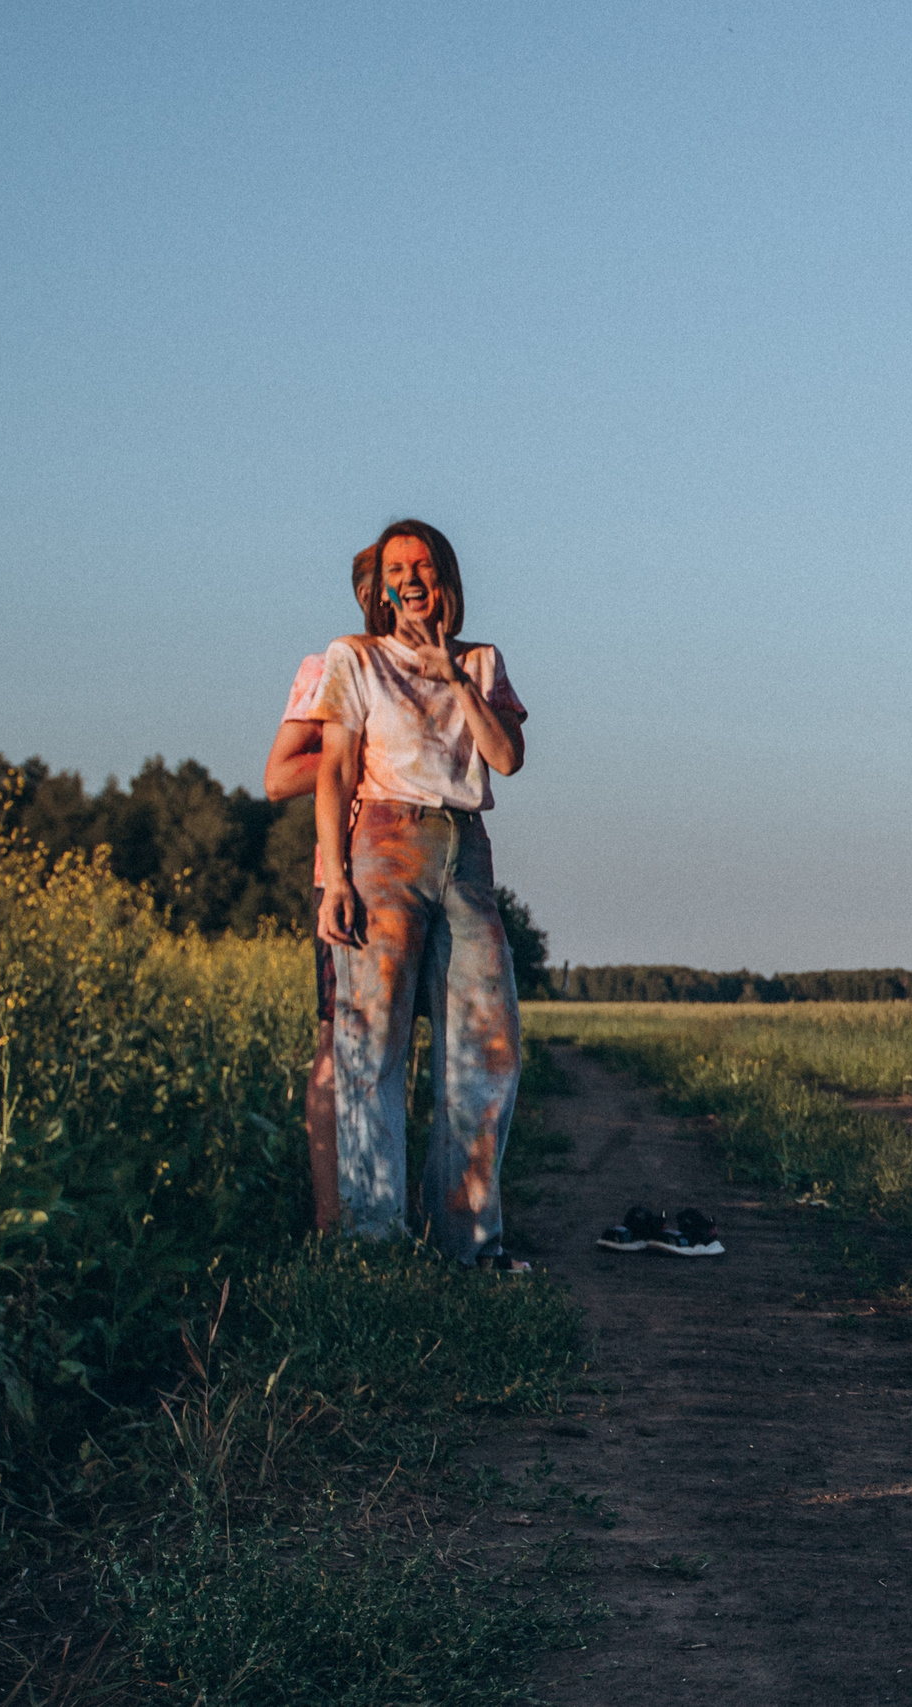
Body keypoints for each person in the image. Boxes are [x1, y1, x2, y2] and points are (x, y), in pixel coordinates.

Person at [311, 519, 530, 1268]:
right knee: (370, 1043)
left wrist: (454, 675)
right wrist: (336, 876)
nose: (411, 577)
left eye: (424, 564)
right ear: (380, 589)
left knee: (488, 1047)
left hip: (465, 852)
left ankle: (468, 1244)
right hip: (383, 841)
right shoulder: (356, 657)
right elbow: (334, 769)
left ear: (446, 580)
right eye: (397, 567)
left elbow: (506, 756)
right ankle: (373, 1242)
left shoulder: (483, 660)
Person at [261, 545, 379, 1234]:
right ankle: (331, 1222)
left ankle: (389, 1206)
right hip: (344, 876)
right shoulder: (326, 668)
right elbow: (277, 778)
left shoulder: (422, 669)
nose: (389, 597)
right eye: (376, 585)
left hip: (416, 875)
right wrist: (355, 754)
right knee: (336, 1043)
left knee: (398, 1049)